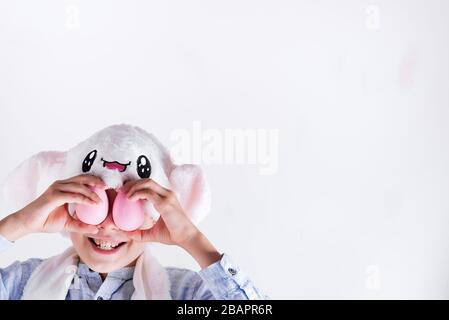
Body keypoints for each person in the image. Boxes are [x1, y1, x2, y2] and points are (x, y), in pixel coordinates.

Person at [0, 174, 267, 300]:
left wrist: (190, 237)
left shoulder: (185, 294)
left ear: (154, 218)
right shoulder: (22, 284)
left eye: (126, 211)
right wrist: (18, 223)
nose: (107, 227)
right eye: (93, 207)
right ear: (69, 210)